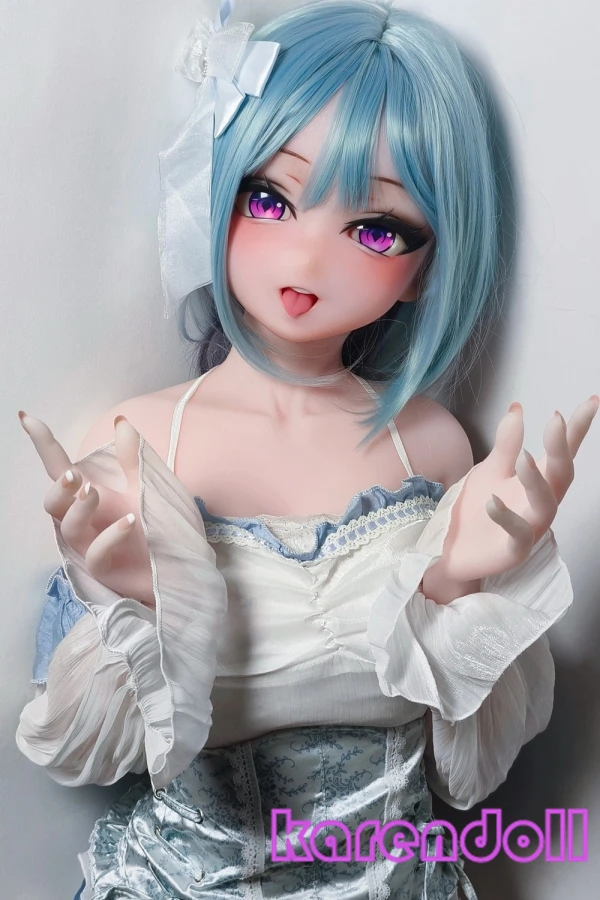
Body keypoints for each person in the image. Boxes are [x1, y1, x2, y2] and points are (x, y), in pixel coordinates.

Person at [15, 1, 598, 898]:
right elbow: (87, 753)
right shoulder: (141, 446)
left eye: (375, 228)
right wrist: (136, 603)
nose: (307, 259)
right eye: (270, 199)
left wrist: (456, 586)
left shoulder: (431, 446)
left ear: (428, 266)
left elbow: (465, 777)